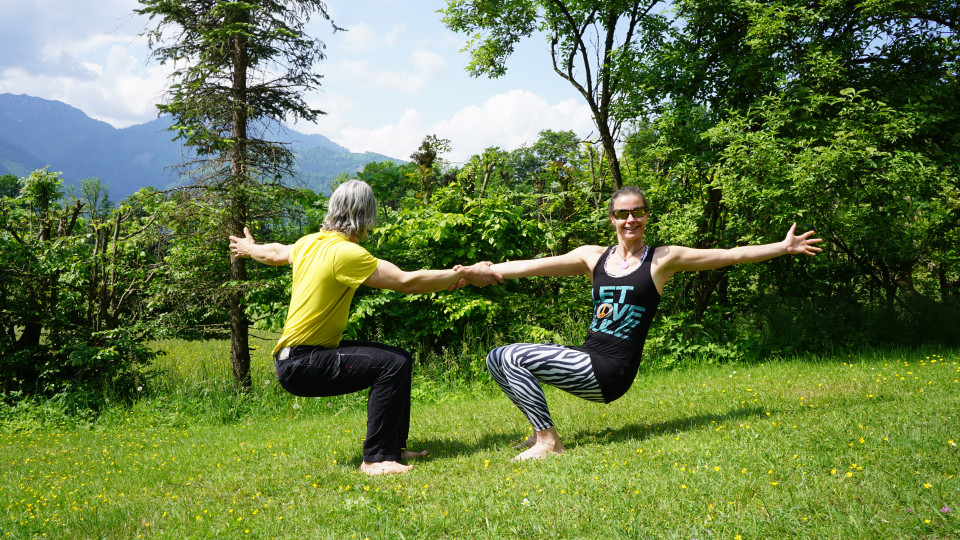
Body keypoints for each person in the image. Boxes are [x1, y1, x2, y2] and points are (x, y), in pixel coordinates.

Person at [481, 185, 823, 461]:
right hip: (587, 356)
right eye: (622, 213)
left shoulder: (662, 259)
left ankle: (549, 443)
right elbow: (532, 265)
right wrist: (483, 271)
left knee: (512, 356)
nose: (631, 219)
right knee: (496, 358)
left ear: (647, 216)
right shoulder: (592, 256)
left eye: (638, 212)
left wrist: (782, 247)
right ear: (611, 219)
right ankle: (538, 431)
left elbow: (730, 254)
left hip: (612, 370)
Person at [229, 179, 502, 476]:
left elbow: (275, 253)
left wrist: (249, 248)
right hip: (303, 364)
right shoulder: (345, 253)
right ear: (365, 216)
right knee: (392, 365)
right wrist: (467, 274)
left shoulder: (309, 243)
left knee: (400, 360)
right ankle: (374, 460)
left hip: (295, 360)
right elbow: (405, 281)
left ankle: (391, 449)